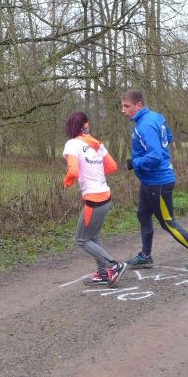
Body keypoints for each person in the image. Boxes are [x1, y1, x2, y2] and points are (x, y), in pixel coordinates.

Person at [119, 90, 188, 271]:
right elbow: (168, 138)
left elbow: (154, 157)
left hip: (158, 182)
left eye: (126, 106)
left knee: (167, 222)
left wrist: (134, 163)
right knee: (143, 215)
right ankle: (145, 256)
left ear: (139, 105)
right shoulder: (156, 117)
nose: (123, 110)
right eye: (122, 106)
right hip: (149, 180)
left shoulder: (145, 125)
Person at [62, 111, 127, 287]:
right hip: (106, 196)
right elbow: (112, 166)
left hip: (94, 200)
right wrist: (95, 173)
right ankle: (103, 273)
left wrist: (67, 182)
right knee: (93, 236)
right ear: (86, 125)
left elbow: (73, 171)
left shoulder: (72, 144)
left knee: (82, 239)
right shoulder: (98, 145)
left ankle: (114, 266)